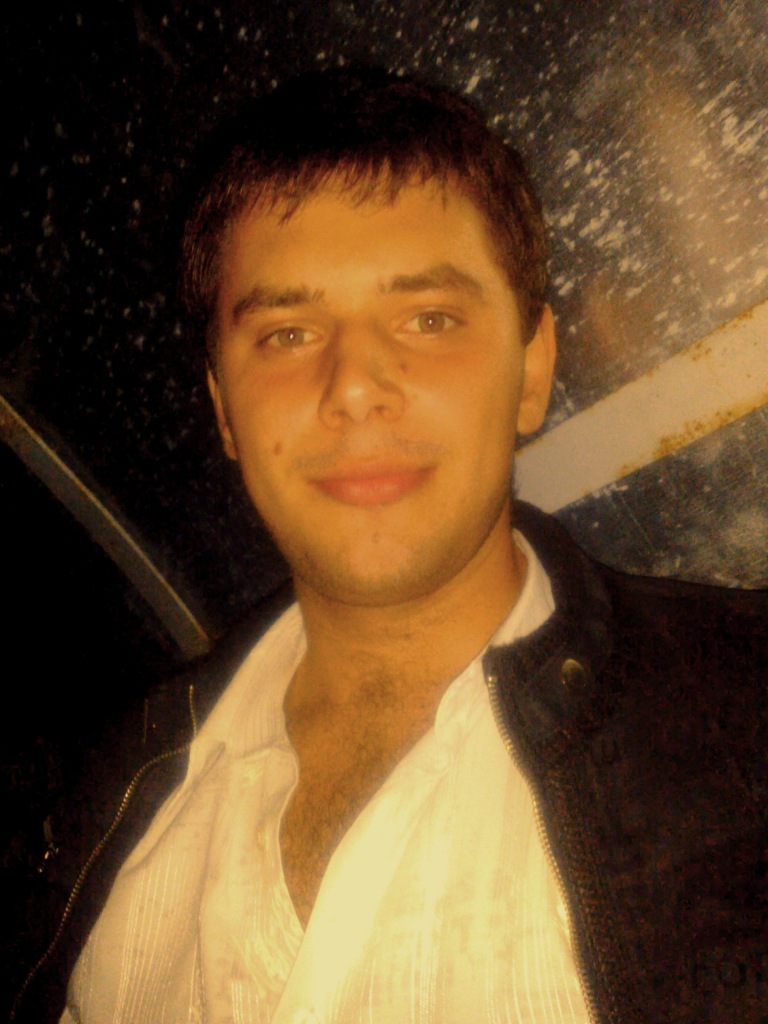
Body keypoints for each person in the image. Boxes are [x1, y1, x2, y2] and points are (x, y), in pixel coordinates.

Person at [10, 68, 767, 1024]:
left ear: (533, 367)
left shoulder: (744, 721)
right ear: (224, 411)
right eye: (287, 334)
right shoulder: (88, 804)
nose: (354, 386)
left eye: (428, 319)